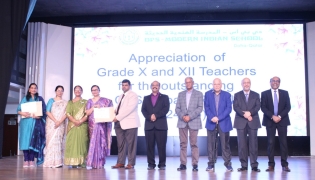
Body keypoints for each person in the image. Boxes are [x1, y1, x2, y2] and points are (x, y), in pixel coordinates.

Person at [261, 76, 291, 172]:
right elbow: (263, 107)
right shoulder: (264, 93)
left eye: (277, 81)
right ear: (270, 82)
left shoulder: (285, 93)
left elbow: (288, 107)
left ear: (279, 83)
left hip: (282, 121)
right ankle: (271, 165)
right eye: (273, 81)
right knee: (270, 143)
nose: (275, 82)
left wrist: (279, 116)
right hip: (270, 121)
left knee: (284, 143)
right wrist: (272, 116)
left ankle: (284, 164)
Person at [204, 78, 233, 172]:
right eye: (215, 84)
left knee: (225, 145)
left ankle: (228, 164)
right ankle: (211, 164)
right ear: (213, 85)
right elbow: (206, 107)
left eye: (218, 84)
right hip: (211, 122)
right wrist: (212, 117)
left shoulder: (227, 95)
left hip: (224, 122)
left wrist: (218, 118)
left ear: (221, 85)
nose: (216, 86)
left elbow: (228, 109)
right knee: (211, 145)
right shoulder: (208, 94)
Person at [175, 77, 203, 171]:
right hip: (182, 121)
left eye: (189, 82)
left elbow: (200, 108)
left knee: (194, 144)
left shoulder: (199, 94)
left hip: (194, 121)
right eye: (186, 82)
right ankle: (183, 164)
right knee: (183, 144)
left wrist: (189, 116)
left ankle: (195, 164)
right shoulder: (181, 94)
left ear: (193, 83)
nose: (188, 84)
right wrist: (183, 116)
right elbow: (177, 108)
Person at [233, 78, 261, 172]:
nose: (246, 84)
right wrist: (244, 114)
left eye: (248, 82)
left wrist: (250, 113)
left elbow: (258, 106)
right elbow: (236, 107)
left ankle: (254, 165)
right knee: (242, 145)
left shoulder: (256, 95)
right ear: (241, 84)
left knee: (253, 145)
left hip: (253, 121)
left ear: (250, 84)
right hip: (240, 121)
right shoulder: (237, 95)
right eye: (244, 83)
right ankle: (244, 165)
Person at [111, 79, 140, 169]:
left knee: (131, 144)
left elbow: (129, 109)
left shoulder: (133, 95)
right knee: (120, 144)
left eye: (126, 85)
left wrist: (117, 117)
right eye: (123, 85)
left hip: (130, 122)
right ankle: (120, 162)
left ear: (130, 86)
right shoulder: (121, 96)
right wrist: (112, 112)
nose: (124, 87)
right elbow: (119, 109)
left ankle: (131, 163)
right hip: (119, 123)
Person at [141, 81, 170, 170]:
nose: (155, 87)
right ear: (151, 87)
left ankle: (162, 164)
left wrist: (156, 116)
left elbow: (166, 109)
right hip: (149, 125)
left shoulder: (165, 97)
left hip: (161, 125)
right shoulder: (146, 98)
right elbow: (143, 110)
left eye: (156, 85)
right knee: (149, 146)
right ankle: (151, 164)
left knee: (161, 146)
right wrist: (150, 117)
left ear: (159, 87)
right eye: (153, 85)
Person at [17, 83, 46, 167]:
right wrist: (23, 112)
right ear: (29, 89)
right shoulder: (25, 98)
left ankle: (31, 159)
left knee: (33, 141)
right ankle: (26, 160)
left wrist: (39, 116)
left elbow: (44, 111)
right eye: (32, 88)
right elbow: (18, 110)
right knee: (25, 141)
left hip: (36, 123)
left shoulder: (39, 99)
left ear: (36, 90)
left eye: (35, 88)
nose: (33, 89)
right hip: (25, 123)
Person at [85, 85, 113, 169]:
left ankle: (100, 162)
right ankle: (93, 162)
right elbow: (87, 113)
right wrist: (93, 107)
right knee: (93, 143)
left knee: (101, 142)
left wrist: (102, 108)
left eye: (96, 90)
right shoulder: (89, 101)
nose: (94, 92)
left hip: (101, 124)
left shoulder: (105, 101)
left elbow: (110, 111)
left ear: (99, 90)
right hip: (92, 125)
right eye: (93, 90)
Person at [64, 85, 89, 168]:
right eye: (76, 90)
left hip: (83, 125)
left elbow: (87, 114)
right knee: (72, 143)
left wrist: (80, 121)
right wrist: (75, 121)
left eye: (79, 90)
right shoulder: (70, 102)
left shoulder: (86, 102)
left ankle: (82, 162)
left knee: (82, 143)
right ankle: (73, 162)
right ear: (74, 91)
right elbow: (68, 113)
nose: (78, 91)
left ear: (82, 91)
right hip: (72, 125)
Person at [43, 85, 68, 168]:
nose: (60, 92)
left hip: (61, 124)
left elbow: (66, 114)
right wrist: (55, 121)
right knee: (51, 142)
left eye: (61, 91)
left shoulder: (65, 102)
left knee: (59, 141)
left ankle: (58, 161)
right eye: (58, 90)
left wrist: (60, 122)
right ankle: (50, 161)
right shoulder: (51, 100)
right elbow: (47, 111)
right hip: (52, 124)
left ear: (63, 92)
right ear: (55, 91)